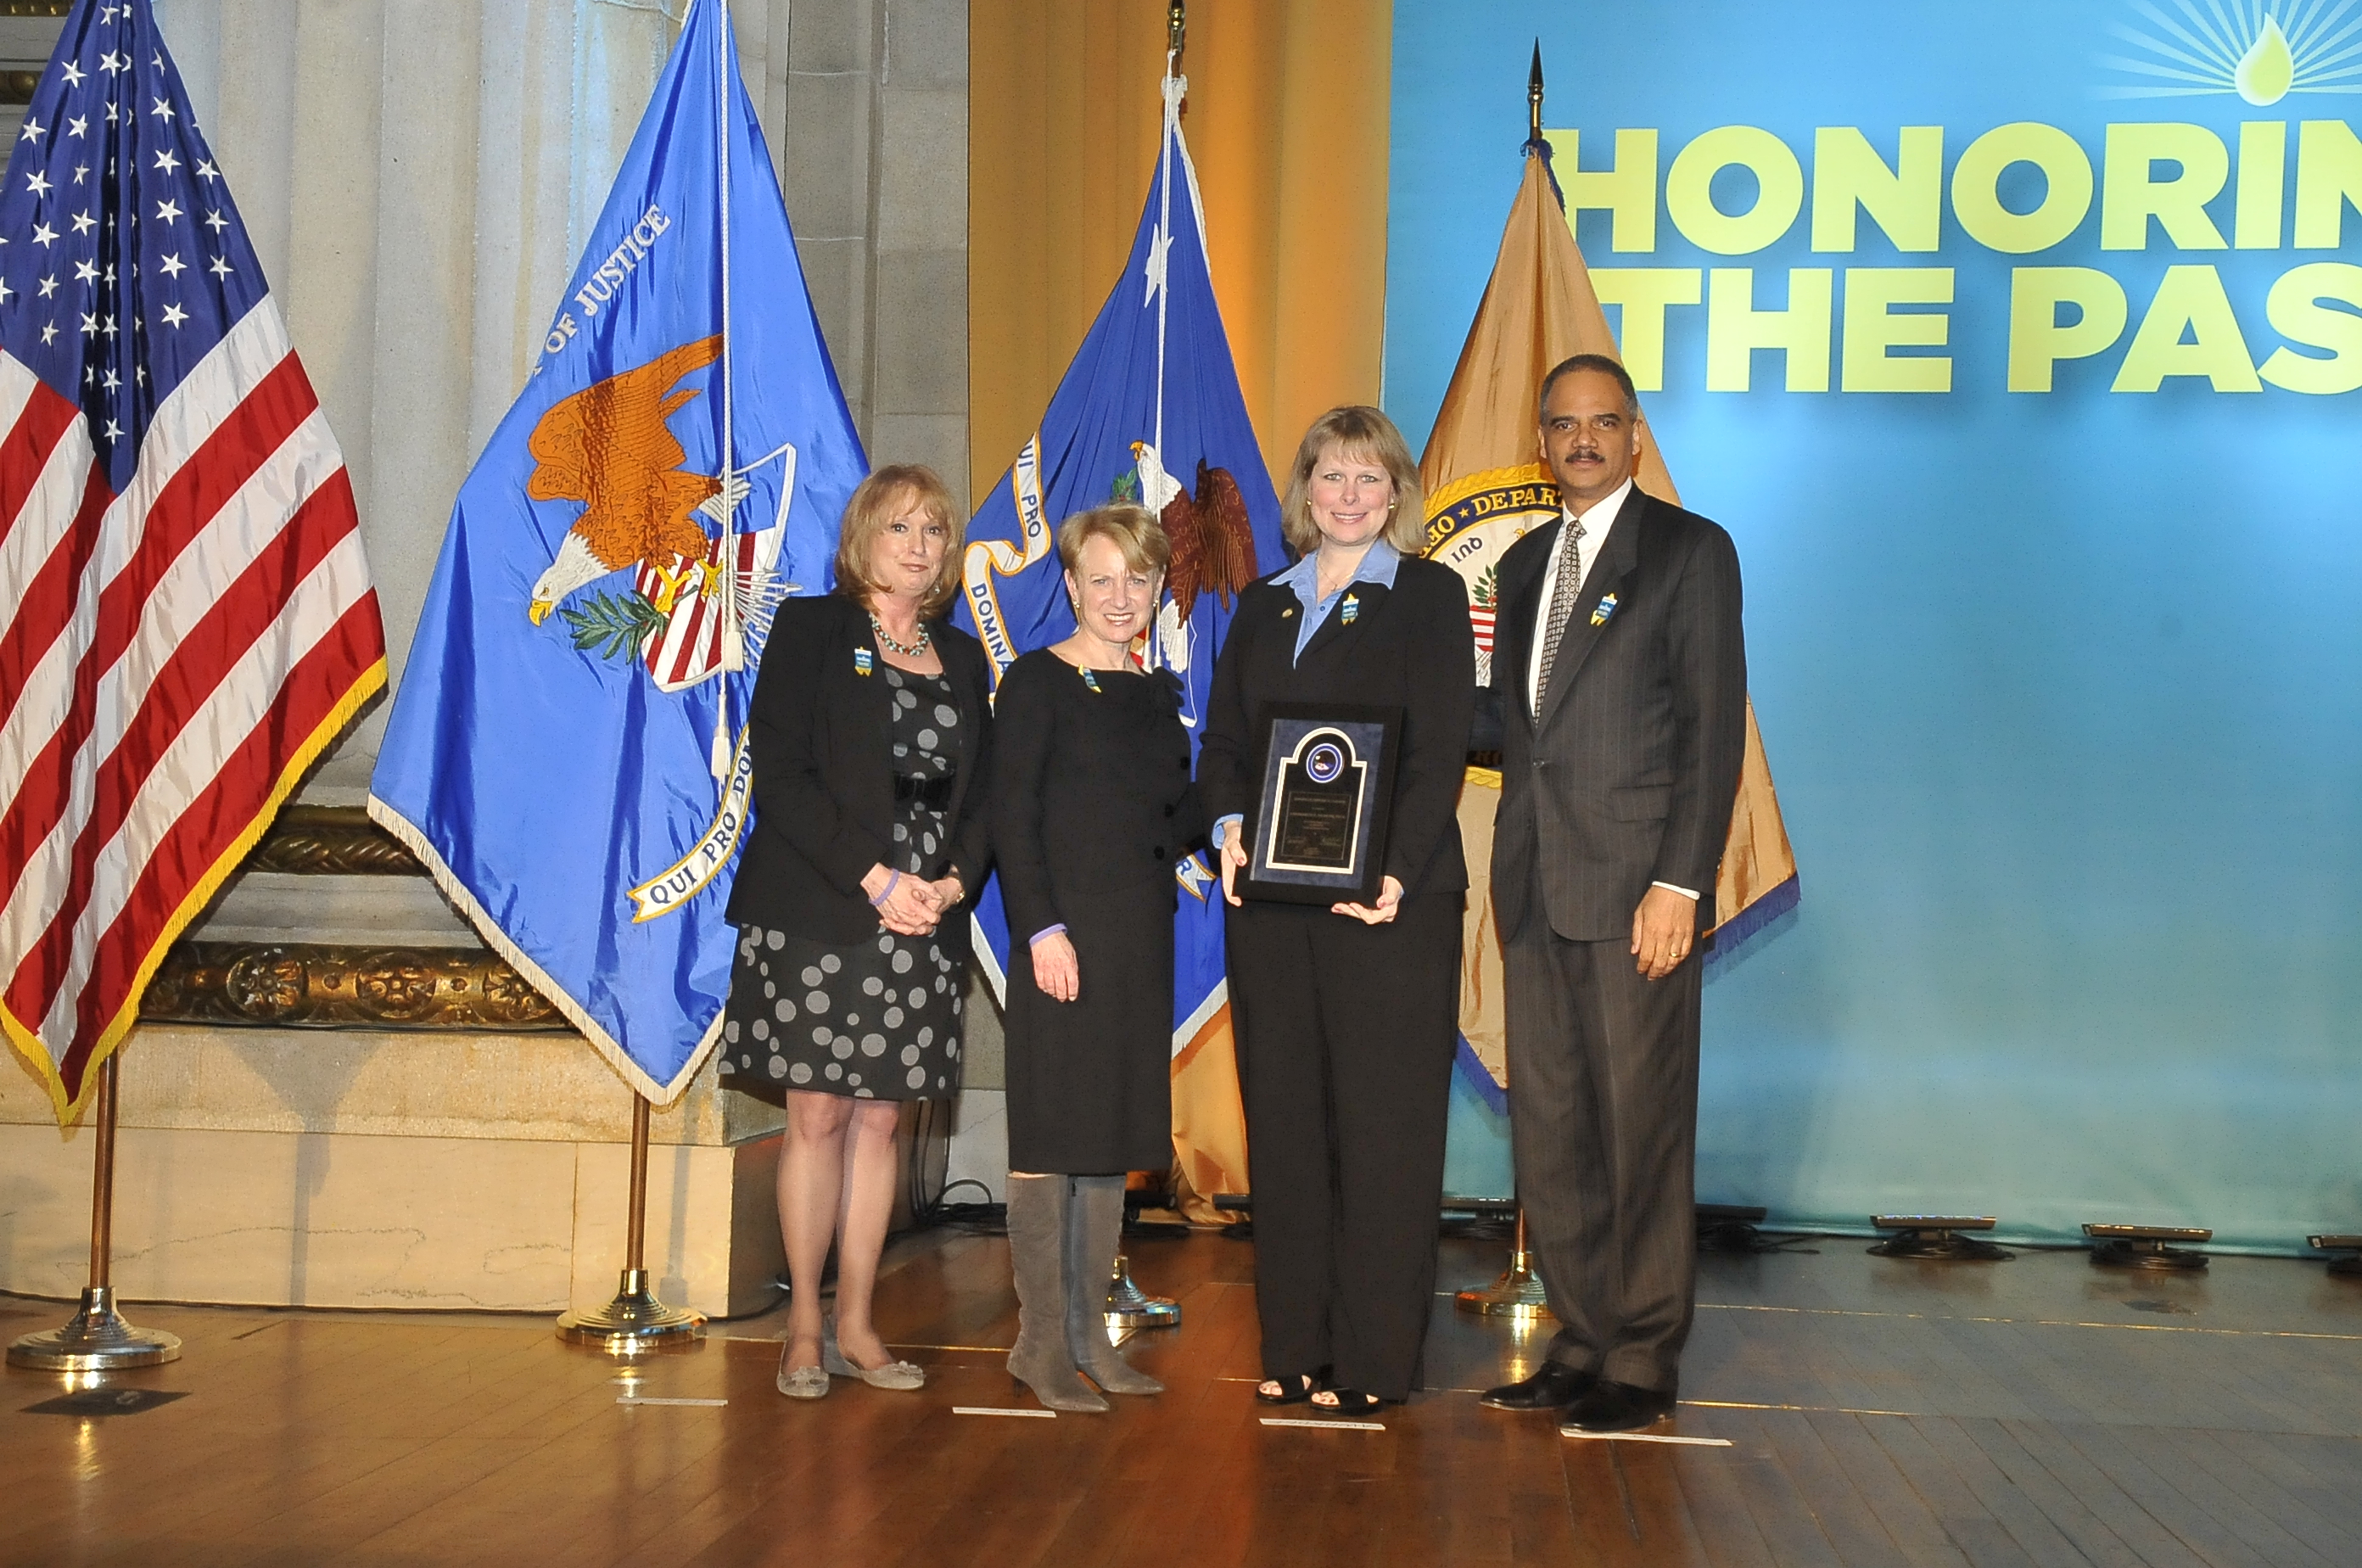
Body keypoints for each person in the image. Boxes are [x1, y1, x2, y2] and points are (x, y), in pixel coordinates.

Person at [1473, 354, 1746, 1434]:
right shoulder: (1527, 561)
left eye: (1603, 422)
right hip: (1536, 887)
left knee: (1640, 1129)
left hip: (1640, 892)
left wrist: (1679, 880)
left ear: (1635, 436)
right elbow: (1516, 733)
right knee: (1553, 1130)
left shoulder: (1689, 550)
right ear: (1542, 443)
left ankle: (1641, 1354)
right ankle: (1580, 1339)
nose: (1582, 439)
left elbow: (1712, 729)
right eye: (1563, 424)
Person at [1198, 406, 1475, 1414]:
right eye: (1331, 477)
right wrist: (1229, 825)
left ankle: (1373, 1361)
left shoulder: (1432, 597)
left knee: (1384, 1133)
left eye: (1369, 479)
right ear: (1304, 493)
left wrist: (1393, 871)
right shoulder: (1263, 604)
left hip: (1390, 910)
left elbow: (1440, 750)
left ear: (1394, 495)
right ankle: (1294, 1348)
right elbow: (1224, 745)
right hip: (1270, 908)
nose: (1349, 496)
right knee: (1287, 1128)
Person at [721, 463, 994, 1401]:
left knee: (882, 1121)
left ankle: (859, 1324)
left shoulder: (963, 659)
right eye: (899, 528)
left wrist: (952, 882)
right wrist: (876, 877)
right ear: (862, 541)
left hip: (926, 916)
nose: (917, 546)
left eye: (932, 532)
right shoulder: (810, 630)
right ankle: (802, 1327)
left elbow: (983, 798)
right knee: (820, 1115)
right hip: (824, 905)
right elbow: (782, 777)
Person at [989, 503, 1205, 1412]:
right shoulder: (1036, 682)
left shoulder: (1157, 693)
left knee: (1110, 1138)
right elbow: (1012, 816)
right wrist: (1040, 930)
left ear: (1159, 590)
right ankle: (1039, 1345)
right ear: (1071, 586)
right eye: (1103, 578)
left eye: (1139, 579)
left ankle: (1090, 1339)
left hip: (1135, 940)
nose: (1122, 596)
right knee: (1051, 1136)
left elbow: (1169, 814)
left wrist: (1235, 814)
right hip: (1062, 942)